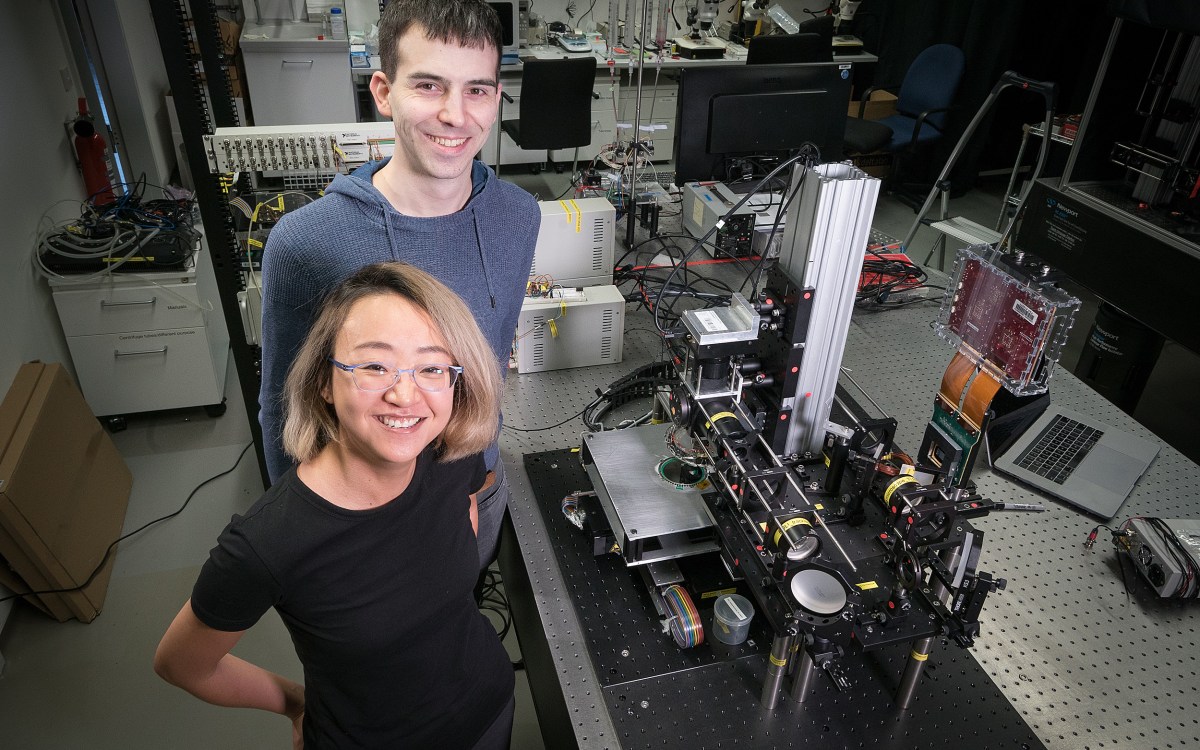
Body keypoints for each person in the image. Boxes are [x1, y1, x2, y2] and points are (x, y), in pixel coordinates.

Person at [155, 262, 513, 748]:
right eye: (373, 365)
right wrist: (294, 702)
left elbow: (464, 514)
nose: (404, 394)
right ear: (325, 382)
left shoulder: (449, 458)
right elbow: (181, 663)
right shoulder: (268, 541)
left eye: (431, 367)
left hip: (488, 711)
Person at [257, 0, 540, 572]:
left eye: (477, 90)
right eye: (430, 85)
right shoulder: (309, 242)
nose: (455, 115)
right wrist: (305, 543)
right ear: (383, 92)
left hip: (472, 499)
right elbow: (281, 407)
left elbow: (488, 369)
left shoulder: (518, 215)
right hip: (365, 529)